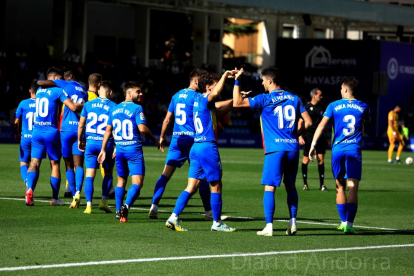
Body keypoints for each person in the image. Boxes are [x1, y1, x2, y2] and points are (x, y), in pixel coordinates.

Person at [233, 67, 312, 237]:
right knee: (291, 186)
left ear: (270, 80)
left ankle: (269, 226)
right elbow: (309, 122)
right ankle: (293, 223)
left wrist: (237, 81)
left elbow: (236, 103)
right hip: (292, 148)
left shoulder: (265, 99)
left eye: (263, 80)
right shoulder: (295, 98)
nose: (262, 83)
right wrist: (295, 134)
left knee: (270, 188)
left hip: (275, 149)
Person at [165, 70, 237, 232]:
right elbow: (216, 95)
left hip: (195, 147)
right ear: (209, 87)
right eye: (215, 83)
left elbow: (219, 110)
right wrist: (225, 75)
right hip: (206, 147)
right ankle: (217, 223)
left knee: (191, 187)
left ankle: (173, 217)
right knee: (216, 185)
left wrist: (235, 100)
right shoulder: (206, 98)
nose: (217, 86)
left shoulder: (197, 100)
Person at [149, 69, 213, 220]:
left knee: (165, 175)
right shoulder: (198, 97)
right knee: (201, 177)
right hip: (192, 140)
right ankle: (209, 212)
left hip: (177, 139)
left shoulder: (176, 95)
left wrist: (162, 137)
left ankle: (154, 206)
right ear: (196, 81)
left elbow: (166, 120)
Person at [309, 77, 371, 234]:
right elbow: (368, 122)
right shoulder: (364, 106)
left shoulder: (333, 105)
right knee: (353, 188)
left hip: (337, 150)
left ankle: (342, 222)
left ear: (345, 90)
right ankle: (349, 224)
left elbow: (321, 125)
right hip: (354, 149)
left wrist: (313, 144)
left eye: (341, 88)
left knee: (339, 187)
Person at [98, 81, 160, 222]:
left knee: (121, 181)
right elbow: (143, 129)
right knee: (137, 183)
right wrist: (155, 140)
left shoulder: (114, 109)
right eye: (138, 91)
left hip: (119, 150)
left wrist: (103, 149)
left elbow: (108, 130)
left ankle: (118, 212)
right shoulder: (137, 108)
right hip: (134, 150)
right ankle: (126, 206)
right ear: (128, 93)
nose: (141, 94)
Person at [25, 67, 83, 206]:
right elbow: (73, 108)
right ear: (55, 78)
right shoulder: (58, 91)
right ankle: (55, 198)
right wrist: (84, 105)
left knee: (34, 163)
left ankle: (29, 189)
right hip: (51, 131)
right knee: (55, 164)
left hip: (37, 131)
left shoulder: (39, 91)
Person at [78, 81, 116, 214]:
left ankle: (88, 205)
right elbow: (115, 128)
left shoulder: (88, 104)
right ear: (110, 92)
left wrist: (80, 140)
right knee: (108, 172)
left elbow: (81, 124)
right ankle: (103, 201)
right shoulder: (114, 106)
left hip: (91, 143)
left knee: (90, 174)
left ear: (98, 91)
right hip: (107, 144)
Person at [299, 88, 330, 191]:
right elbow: (300, 121)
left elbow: (324, 124)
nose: (321, 97)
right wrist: (299, 136)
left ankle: (322, 185)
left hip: (320, 136)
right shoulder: (306, 107)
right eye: (320, 95)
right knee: (306, 159)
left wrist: (327, 137)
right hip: (308, 136)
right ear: (314, 96)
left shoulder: (322, 107)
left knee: (320, 160)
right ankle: (305, 184)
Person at [14, 80, 37, 185]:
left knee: (24, 162)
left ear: (29, 91)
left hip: (26, 138)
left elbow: (16, 122)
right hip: (38, 139)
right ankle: (31, 187)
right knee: (35, 164)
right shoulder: (43, 104)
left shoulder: (23, 103)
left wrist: (16, 133)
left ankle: (28, 182)